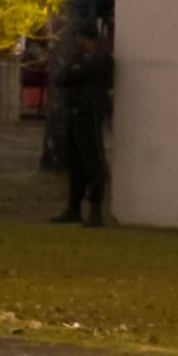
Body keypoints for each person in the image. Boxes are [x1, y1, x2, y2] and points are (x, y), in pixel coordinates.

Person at [48, 18, 114, 227]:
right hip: (75, 113)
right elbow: (62, 77)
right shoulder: (81, 58)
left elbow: (78, 74)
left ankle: (95, 210)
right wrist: (75, 71)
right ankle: (73, 207)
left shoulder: (102, 59)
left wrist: (76, 71)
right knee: (75, 161)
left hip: (90, 114)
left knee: (92, 161)